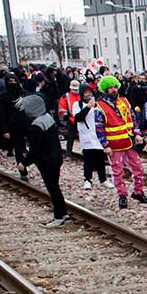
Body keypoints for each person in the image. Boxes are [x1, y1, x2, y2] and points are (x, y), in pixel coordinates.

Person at [94, 75, 147, 209]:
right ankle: (122, 195)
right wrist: (105, 145)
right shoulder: (100, 107)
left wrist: (137, 133)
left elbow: (133, 119)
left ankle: (138, 191)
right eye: (110, 88)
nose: (113, 90)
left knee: (138, 168)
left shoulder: (125, 102)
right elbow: (99, 128)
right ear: (105, 90)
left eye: (115, 87)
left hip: (129, 141)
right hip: (114, 145)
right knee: (117, 171)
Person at [15, 94, 68, 227]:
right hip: (56, 157)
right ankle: (62, 213)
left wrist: (24, 163)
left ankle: (58, 216)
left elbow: (35, 150)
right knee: (55, 187)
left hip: (47, 161)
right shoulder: (48, 118)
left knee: (53, 188)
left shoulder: (36, 126)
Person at [72, 86, 110, 189]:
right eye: (85, 93)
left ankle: (103, 179)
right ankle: (87, 179)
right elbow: (78, 118)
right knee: (88, 159)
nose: (88, 94)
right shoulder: (77, 104)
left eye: (89, 92)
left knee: (100, 159)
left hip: (97, 134)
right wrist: (88, 107)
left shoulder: (97, 105)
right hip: (86, 135)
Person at [56, 79, 82, 156]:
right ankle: (68, 154)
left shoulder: (81, 95)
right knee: (71, 137)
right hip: (71, 119)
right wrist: (65, 114)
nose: (75, 91)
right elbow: (61, 108)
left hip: (82, 119)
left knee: (84, 137)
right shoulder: (66, 96)